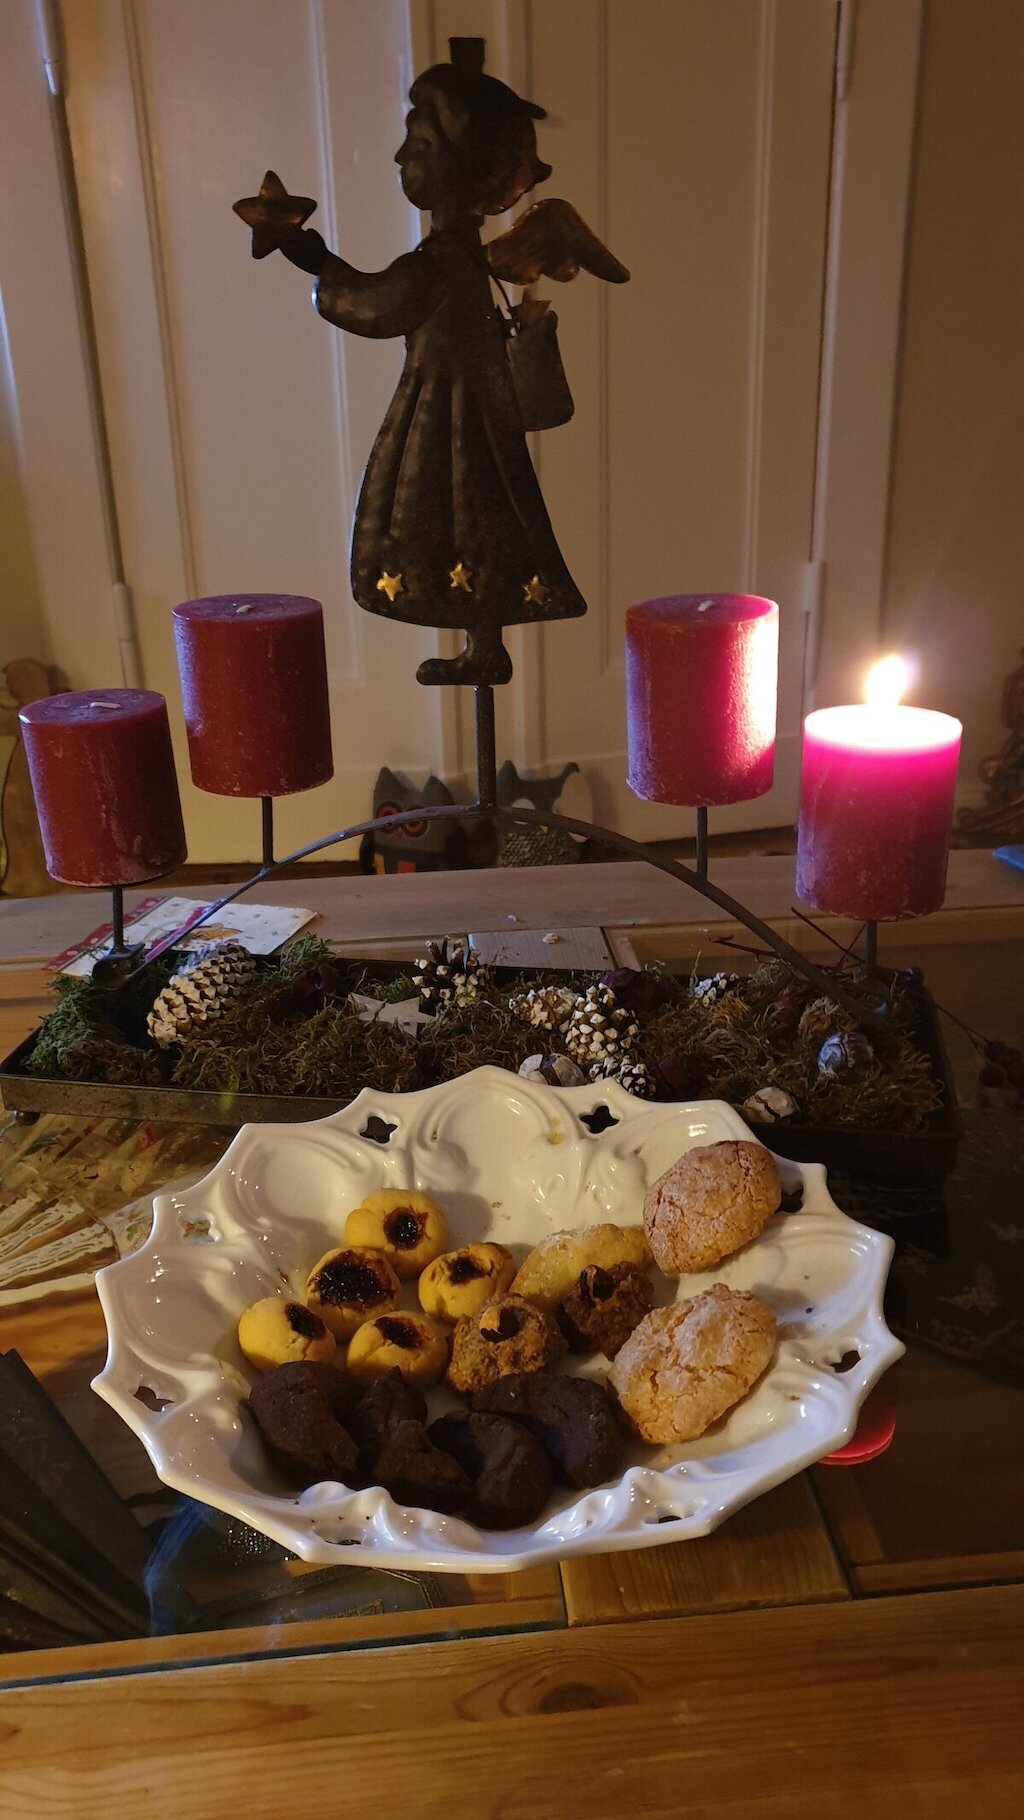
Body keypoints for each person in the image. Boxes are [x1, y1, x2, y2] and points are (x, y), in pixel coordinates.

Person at [235, 37, 627, 686]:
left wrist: (317, 261)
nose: (399, 156)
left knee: (459, 519)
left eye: (416, 143)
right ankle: (483, 644)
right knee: (471, 522)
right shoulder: (461, 258)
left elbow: (378, 306)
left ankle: (483, 642)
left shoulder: (443, 261)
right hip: (464, 411)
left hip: (451, 416)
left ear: (458, 163)